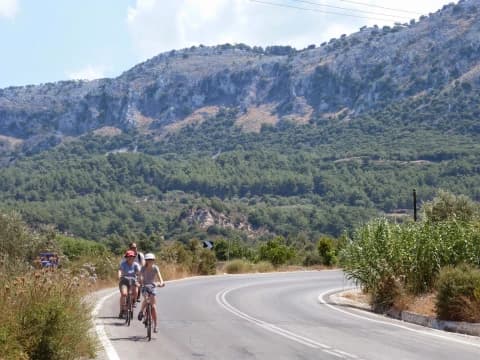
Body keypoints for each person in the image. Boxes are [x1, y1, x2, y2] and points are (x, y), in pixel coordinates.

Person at [137, 253, 165, 333]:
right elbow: (139, 277)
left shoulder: (155, 268)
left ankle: (155, 326)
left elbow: (160, 277)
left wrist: (161, 283)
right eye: (148, 260)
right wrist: (139, 282)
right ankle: (141, 311)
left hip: (153, 286)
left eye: (151, 260)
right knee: (146, 298)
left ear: (154, 260)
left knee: (153, 307)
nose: (150, 261)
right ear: (146, 261)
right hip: (145, 286)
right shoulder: (143, 268)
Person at [118, 250, 141, 318]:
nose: (130, 258)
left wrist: (140, 279)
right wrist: (119, 275)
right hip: (124, 280)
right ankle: (122, 309)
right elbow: (120, 270)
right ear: (126, 257)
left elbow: (139, 273)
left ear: (134, 257)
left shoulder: (136, 265)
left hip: (133, 280)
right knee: (124, 294)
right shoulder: (123, 264)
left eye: (132, 256)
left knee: (136, 291)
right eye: (129, 256)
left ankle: (133, 302)